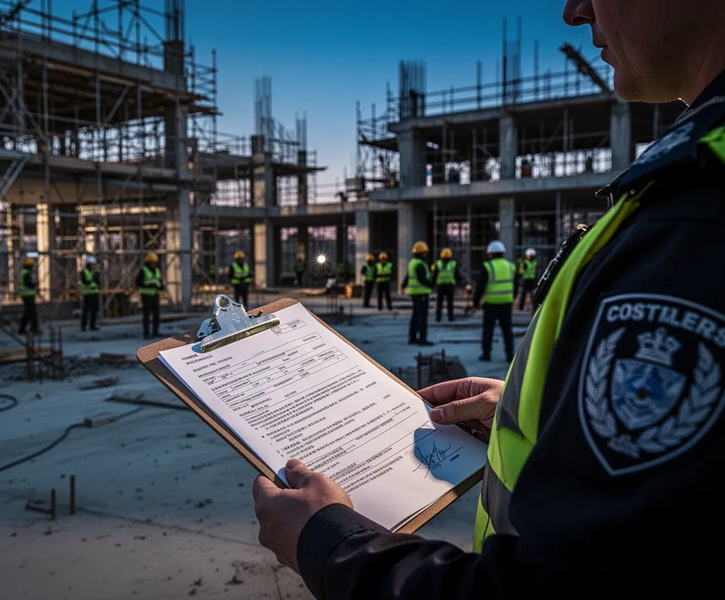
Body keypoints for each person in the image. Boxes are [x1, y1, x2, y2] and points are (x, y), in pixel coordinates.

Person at [251, 1, 725, 598]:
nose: (575, 10)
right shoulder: (684, 199)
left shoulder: (693, 218)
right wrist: (542, 412)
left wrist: (331, 543)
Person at [473, 240, 516, 362]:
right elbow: (516, 284)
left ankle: (486, 354)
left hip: (491, 304)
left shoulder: (488, 266)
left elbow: (480, 286)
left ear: (490, 253)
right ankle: (509, 355)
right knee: (507, 330)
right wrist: (512, 297)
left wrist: (476, 302)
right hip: (506, 303)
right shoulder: (511, 266)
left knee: (488, 329)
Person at [402, 241, 433, 346]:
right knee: (422, 317)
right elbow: (422, 279)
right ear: (421, 253)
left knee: (415, 315)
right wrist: (432, 284)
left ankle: (413, 338)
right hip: (421, 293)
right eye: (425, 252)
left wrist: (403, 285)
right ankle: (422, 339)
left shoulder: (412, 262)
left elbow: (407, 276)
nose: (426, 254)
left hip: (414, 293)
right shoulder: (420, 264)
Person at [136, 251, 163, 340]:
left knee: (156, 315)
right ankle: (146, 333)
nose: (154, 265)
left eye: (155, 263)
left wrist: (161, 286)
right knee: (146, 315)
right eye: (152, 263)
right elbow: (138, 282)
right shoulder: (143, 270)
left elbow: (159, 281)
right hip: (146, 295)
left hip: (155, 295)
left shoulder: (157, 270)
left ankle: (155, 332)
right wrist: (149, 285)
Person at [433, 248, 463, 323]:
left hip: (441, 285)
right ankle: (450, 317)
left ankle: (438, 318)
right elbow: (457, 274)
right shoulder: (453, 263)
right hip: (449, 285)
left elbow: (434, 275)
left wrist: (432, 284)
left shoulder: (438, 263)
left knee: (440, 302)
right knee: (449, 303)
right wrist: (463, 281)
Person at [18, 256, 39, 336]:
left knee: (27, 313)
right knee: (32, 313)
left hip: (28, 295)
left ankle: (22, 329)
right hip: (27, 295)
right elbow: (29, 284)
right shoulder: (26, 273)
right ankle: (34, 329)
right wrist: (34, 285)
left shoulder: (27, 272)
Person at [79, 256, 100, 332]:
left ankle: (93, 325)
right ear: (88, 265)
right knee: (86, 311)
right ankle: (83, 326)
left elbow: (98, 281)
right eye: (92, 264)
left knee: (94, 310)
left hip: (95, 293)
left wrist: (91, 282)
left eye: (94, 264)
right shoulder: (84, 272)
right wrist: (91, 282)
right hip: (87, 294)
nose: (93, 266)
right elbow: (85, 281)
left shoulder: (96, 272)